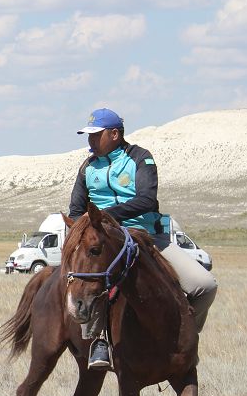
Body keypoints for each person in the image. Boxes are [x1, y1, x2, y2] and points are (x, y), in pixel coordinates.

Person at [69, 107, 218, 370]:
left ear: (114, 134)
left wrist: (105, 215)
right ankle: (98, 343)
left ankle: (186, 337)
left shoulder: (140, 158)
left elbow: (146, 200)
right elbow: (75, 210)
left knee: (204, 285)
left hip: (144, 237)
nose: (90, 140)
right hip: (105, 243)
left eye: (96, 135)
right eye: (88, 135)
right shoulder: (87, 167)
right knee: (87, 283)